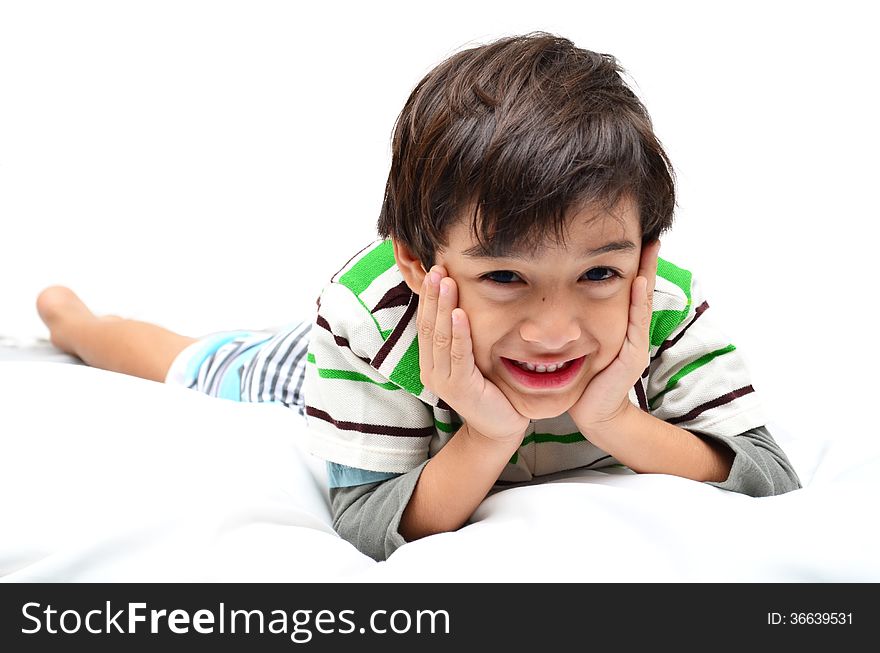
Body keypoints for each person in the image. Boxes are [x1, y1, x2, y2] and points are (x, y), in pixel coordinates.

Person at [37, 31, 801, 562]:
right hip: (331, 372)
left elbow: (767, 472)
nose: (555, 329)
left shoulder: (658, 304)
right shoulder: (372, 320)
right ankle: (77, 321)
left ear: (643, 256)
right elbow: (368, 520)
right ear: (415, 261)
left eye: (598, 274)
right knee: (205, 361)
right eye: (504, 276)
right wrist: (488, 434)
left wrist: (613, 418)